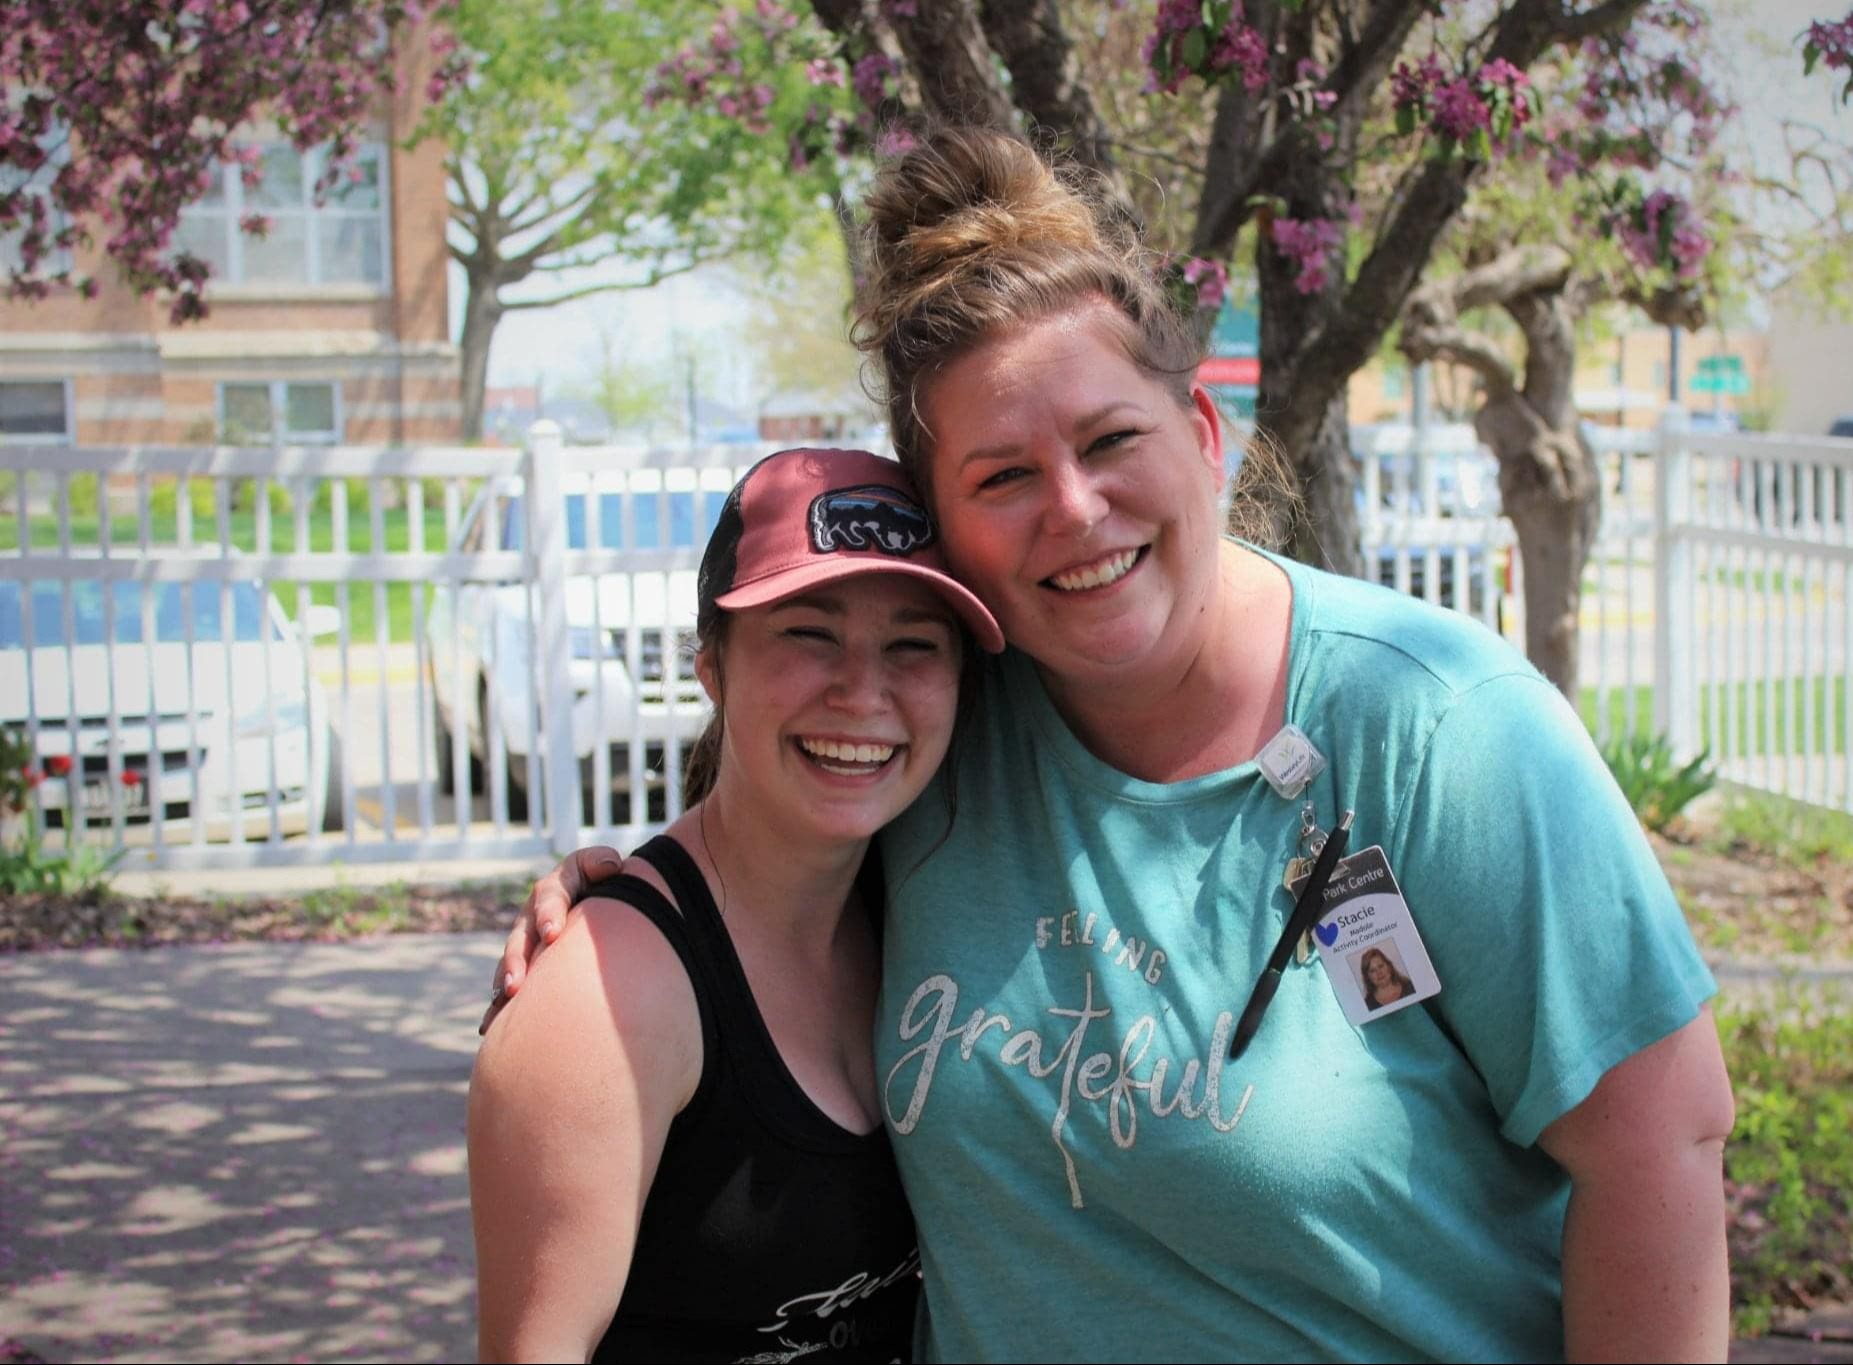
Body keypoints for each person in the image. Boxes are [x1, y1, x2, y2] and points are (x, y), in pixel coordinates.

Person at [484, 127, 1734, 1363]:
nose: (1073, 510)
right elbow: (767, 861)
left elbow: (1656, 1144)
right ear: (947, 536)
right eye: (1000, 477)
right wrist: (622, 916)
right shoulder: (950, 725)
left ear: (1198, 431)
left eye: (1109, 440)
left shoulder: (1436, 727)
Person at [468, 446, 1003, 1362]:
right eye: (807, 632)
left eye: (913, 644)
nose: (861, 690)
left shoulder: (926, 902)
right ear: (710, 663)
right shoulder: (606, 1006)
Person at [1358, 946, 1416, 1011]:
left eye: (1381, 966)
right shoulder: (1367, 1005)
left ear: (1389, 967)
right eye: (1372, 971)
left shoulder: (1410, 986)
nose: (1379, 973)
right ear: (1367, 977)